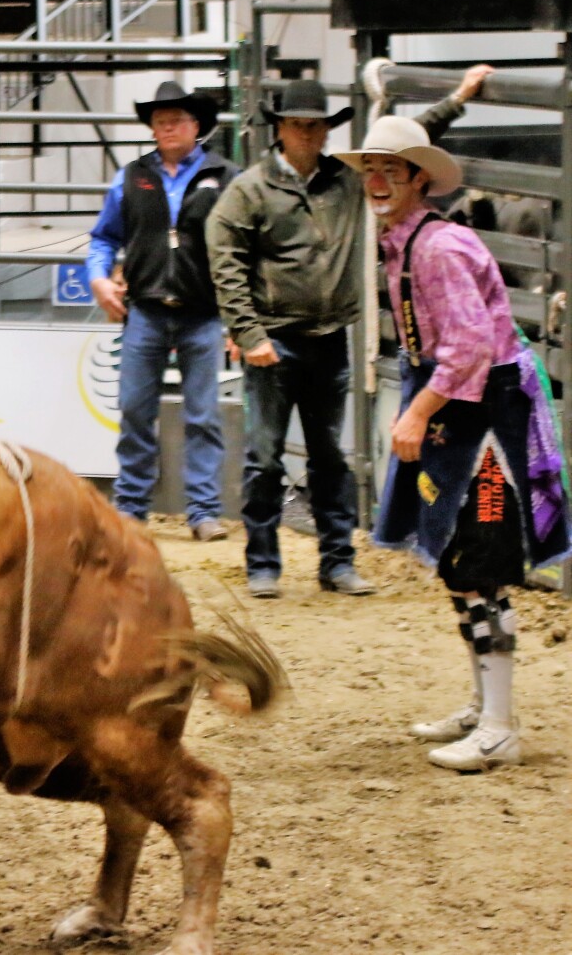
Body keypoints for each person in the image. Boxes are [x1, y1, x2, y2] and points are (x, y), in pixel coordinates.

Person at [338, 115, 572, 773]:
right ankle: (484, 705)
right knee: (460, 561)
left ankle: (498, 725)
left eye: (391, 169)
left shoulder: (434, 248)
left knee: (477, 562)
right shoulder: (405, 242)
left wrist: (416, 412)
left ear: (418, 178)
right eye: (369, 169)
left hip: (486, 421)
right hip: (467, 411)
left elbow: (468, 346)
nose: (377, 180)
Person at [206, 71, 492, 600]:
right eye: (299, 126)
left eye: (317, 127)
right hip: (275, 338)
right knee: (266, 458)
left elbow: (407, 144)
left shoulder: (345, 180)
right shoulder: (250, 191)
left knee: (329, 458)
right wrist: (249, 333)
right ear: (281, 130)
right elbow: (225, 260)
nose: (310, 136)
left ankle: (336, 560)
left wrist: (456, 101)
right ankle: (264, 562)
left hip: (328, 336)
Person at [86, 81, 239, 539]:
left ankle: (203, 511)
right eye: (160, 121)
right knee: (135, 409)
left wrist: (239, 315)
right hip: (146, 310)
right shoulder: (130, 177)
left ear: (197, 126)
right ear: (152, 128)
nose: (167, 127)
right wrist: (98, 278)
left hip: (204, 312)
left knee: (204, 415)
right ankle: (132, 507)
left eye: (176, 120)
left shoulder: (226, 177)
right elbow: (103, 238)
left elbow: (244, 244)